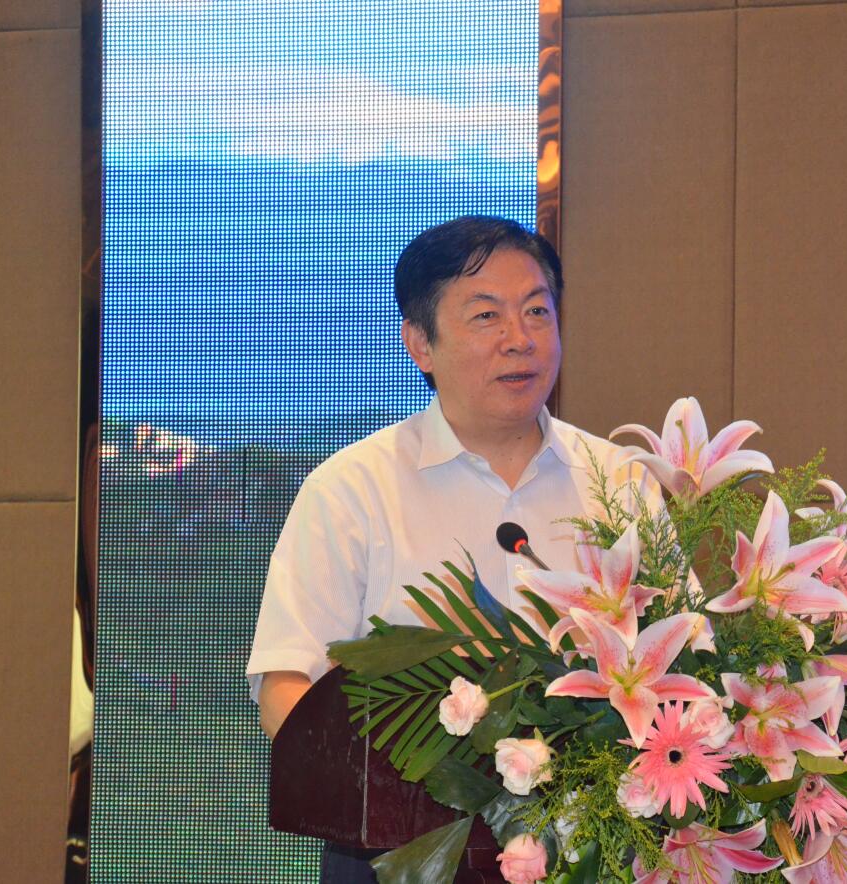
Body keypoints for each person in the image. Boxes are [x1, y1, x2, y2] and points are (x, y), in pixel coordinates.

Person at [246, 215, 654, 881]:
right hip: (402, 853)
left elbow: (682, 657)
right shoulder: (352, 489)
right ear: (420, 344)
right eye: (486, 316)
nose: (520, 338)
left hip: (591, 850)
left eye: (537, 311)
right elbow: (287, 680)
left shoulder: (622, 482)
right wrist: (386, 798)